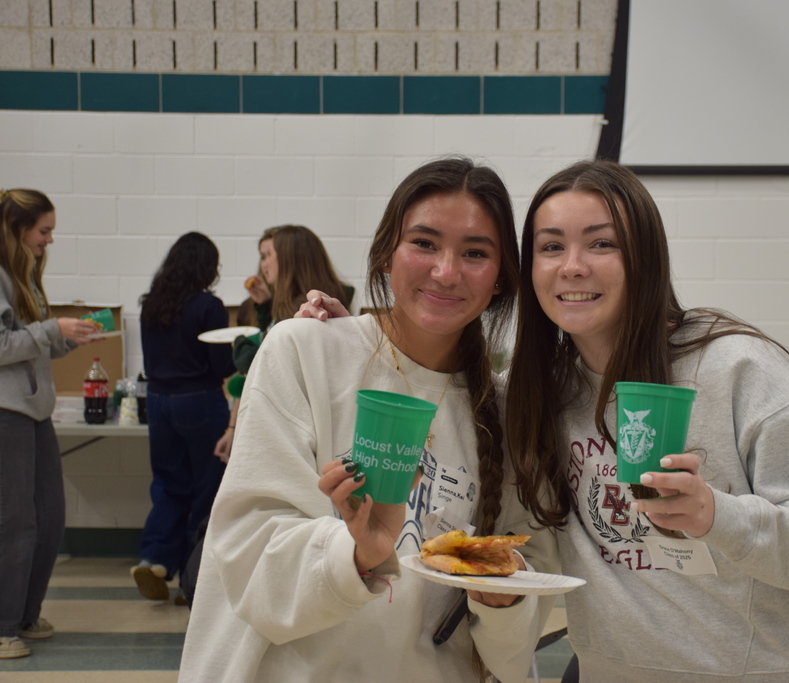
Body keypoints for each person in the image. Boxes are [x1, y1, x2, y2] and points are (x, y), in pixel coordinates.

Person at [503, 160, 789, 682]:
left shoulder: (738, 368)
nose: (572, 266)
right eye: (551, 247)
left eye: (602, 244)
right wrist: (354, 341)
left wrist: (716, 515)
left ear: (646, 259)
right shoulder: (538, 394)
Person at [179, 157, 557, 682]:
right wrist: (356, 554)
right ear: (385, 256)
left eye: (475, 253)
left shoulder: (506, 411)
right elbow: (247, 552)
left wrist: (500, 596)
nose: (446, 271)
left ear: (500, 281)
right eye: (424, 243)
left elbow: (517, 639)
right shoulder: (306, 350)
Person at [0, 188, 98, 659]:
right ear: (19, 231)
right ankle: (4, 626)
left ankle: (24, 614)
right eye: (44, 231)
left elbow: (28, 342)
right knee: (15, 523)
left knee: (49, 518)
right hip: (7, 414)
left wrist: (66, 336)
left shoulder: (26, 278)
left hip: (34, 412)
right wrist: (49, 330)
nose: (50, 240)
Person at [133, 232, 237, 602]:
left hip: (159, 403)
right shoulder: (209, 307)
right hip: (199, 401)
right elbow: (223, 365)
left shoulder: (151, 304)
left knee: (167, 484)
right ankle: (194, 578)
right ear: (206, 267)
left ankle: (155, 558)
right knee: (207, 488)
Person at [214, 225, 352, 463]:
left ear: (289, 259)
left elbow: (277, 370)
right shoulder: (286, 305)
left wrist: (244, 350)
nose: (263, 264)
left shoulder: (311, 310)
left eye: (267, 256)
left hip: (294, 435)